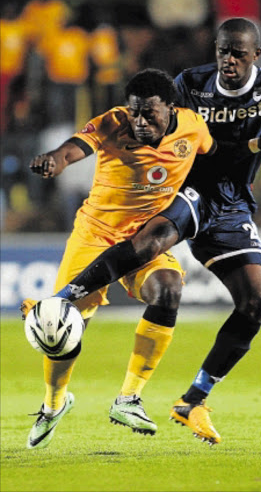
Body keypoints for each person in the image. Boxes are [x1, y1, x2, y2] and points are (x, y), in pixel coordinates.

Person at [23, 18, 261, 446]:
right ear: (215, 49)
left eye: (239, 54)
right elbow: (91, 140)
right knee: (134, 260)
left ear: (255, 56)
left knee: (255, 301)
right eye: (223, 51)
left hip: (231, 205)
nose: (229, 61)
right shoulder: (182, 88)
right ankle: (56, 366)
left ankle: (191, 400)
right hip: (176, 198)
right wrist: (57, 160)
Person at [22, 68, 216, 450]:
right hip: (94, 235)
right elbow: (72, 149)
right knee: (64, 327)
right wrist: (54, 161)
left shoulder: (193, 127)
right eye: (135, 113)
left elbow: (214, 158)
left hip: (144, 240)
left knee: (169, 289)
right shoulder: (112, 122)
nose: (140, 122)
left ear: (170, 108)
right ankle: (54, 403)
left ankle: (129, 399)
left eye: (150, 115)